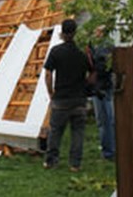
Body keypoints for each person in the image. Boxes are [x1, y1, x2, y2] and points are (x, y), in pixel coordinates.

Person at [43, 19, 90, 172]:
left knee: (55, 131)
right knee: (78, 132)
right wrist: (86, 88)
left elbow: (48, 74)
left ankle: (51, 162)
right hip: (79, 99)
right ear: (75, 33)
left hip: (61, 98)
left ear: (62, 33)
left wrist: (51, 93)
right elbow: (92, 72)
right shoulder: (82, 53)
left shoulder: (56, 51)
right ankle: (75, 164)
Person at [89, 25, 115, 161]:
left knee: (105, 120)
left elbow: (103, 67)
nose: (95, 33)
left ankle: (109, 152)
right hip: (102, 86)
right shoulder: (104, 45)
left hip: (102, 87)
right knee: (105, 120)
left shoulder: (104, 47)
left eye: (97, 31)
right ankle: (108, 149)